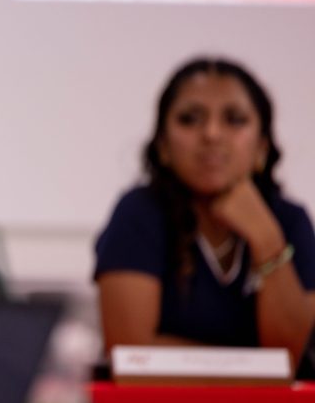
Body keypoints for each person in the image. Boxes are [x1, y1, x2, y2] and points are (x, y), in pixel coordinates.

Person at [94, 57, 315, 369]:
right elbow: (131, 354)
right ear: (163, 147)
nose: (211, 134)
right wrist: (251, 367)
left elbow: (290, 357)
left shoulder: (289, 220)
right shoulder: (139, 212)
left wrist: (266, 238)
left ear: (262, 147)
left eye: (234, 120)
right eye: (190, 119)